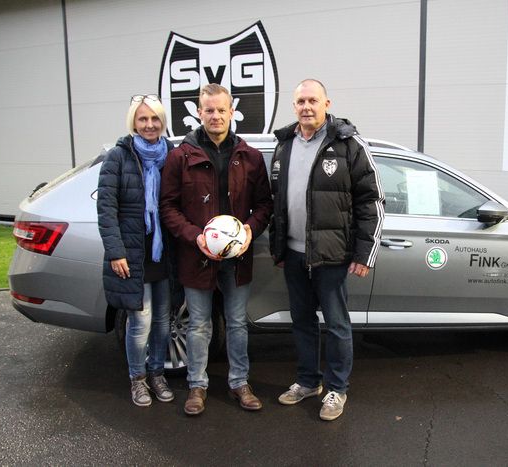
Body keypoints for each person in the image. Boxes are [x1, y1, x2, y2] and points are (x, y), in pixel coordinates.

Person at [269, 79, 384, 421]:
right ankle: (308, 382)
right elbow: (276, 200)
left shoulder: (348, 144)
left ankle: (336, 389)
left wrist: (364, 253)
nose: (306, 107)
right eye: (301, 101)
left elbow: (371, 201)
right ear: (294, 106)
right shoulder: (284, 144)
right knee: (302, 322)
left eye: (313, 100)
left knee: (336, 324)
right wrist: (278, 247)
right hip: (294, 254)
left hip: (332, 254)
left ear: (326, 104)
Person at [160, 84, 273, 415]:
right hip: (197, 256)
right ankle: (197, 386)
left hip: (238, 257)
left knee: (237, 322)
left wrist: (249, 229)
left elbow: (264, 205)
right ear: (199, 112)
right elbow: (168, 207)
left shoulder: (250, 157)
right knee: (198, 324)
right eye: (209, 110)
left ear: (231, 111)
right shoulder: (180, 157)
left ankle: (239, 382)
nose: (216, 116)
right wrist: (195, 237)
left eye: (221, 110)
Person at [97, 94, 176, 407]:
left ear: (162, 122)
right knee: (140, 321)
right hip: (132, 253)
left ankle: (157, 373)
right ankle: (138, 379)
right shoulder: (118, 157)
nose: (149, 124)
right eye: (143, 119)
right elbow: (106, 209)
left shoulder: (171, 154)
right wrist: (116, 251)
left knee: (163, 321)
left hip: (163, 253)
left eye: (155, 118)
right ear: (134, 121)